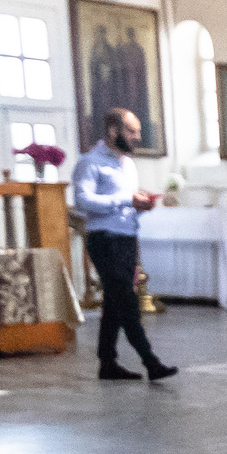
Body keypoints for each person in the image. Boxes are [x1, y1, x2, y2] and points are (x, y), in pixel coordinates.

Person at [73, 108, 174, 382]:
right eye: (132, 131)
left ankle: (107, 363)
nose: (137, 137)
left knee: (115, 302)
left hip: (127, 237)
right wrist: (125, 200)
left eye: (138, 131)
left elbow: (127, 202)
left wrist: (141, 205)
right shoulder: (89, 162)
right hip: (104, 240)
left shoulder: (127, 163)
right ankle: (150, 361)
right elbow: (83, 201)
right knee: (127, 301)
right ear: (113, 131)